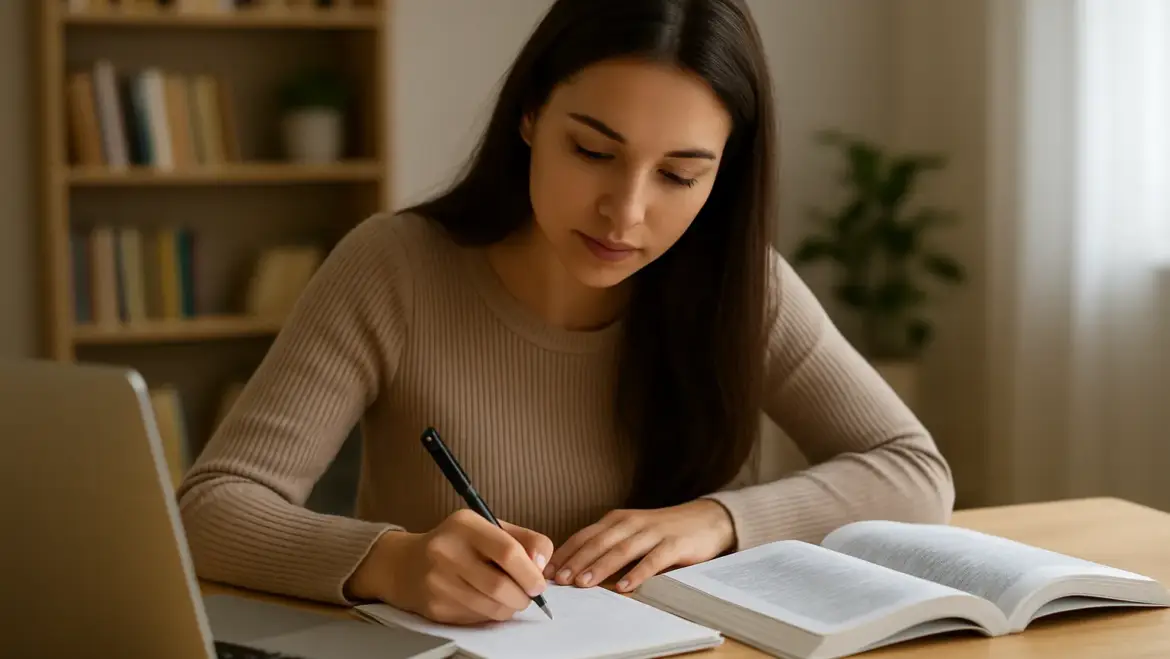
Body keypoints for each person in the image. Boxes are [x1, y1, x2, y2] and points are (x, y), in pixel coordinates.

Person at [176, 0, 954, 627]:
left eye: (680, 174)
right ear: (530, 119)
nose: (627, 211)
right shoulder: (393, 267)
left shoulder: (740, 282)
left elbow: (913, 470)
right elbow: (211, 510)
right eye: (591, 151)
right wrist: (395, 561)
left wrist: (713, 519)